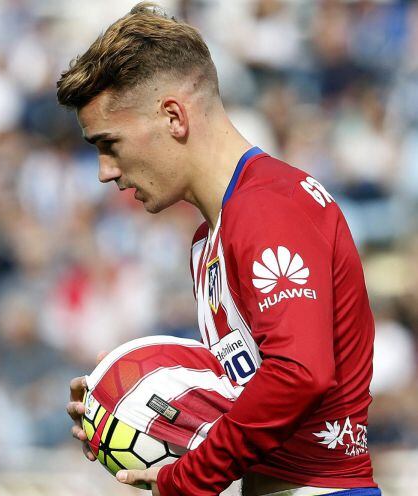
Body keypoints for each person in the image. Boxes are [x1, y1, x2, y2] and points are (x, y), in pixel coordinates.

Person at [58, 3, 380, 496]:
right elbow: (248, 394)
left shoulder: (268, 208)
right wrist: (120, 402)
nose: (105, 170)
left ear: (173, 116)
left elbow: (300, 375)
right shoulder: (209, 237)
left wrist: (191, 478)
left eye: (110, 143)